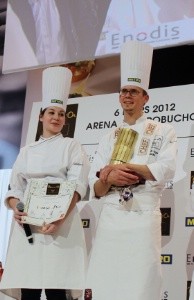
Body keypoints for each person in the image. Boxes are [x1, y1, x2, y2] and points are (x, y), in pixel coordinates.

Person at [86, 40, 177, 299]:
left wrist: (123, 168)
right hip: (111, 218)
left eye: (134, 91)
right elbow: (97, 187)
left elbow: (166, 168)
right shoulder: (108, 137)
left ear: (145, 97)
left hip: (143, 214)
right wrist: (107, 176)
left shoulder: (162, 131)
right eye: (124, 90)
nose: (127, 95)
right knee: (105, 280)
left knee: (141, 282)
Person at [0, 66, 90, 300]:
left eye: (61, 114)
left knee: (56, 287)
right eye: (51, 113)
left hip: (61, 223)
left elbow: (78, 186)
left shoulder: (72, 146)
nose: (56, 118)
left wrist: (60, 216)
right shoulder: (26, 151)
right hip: (28, 224)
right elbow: (15, 188)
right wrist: (17, 209)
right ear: (41, 116)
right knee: (28, 286)